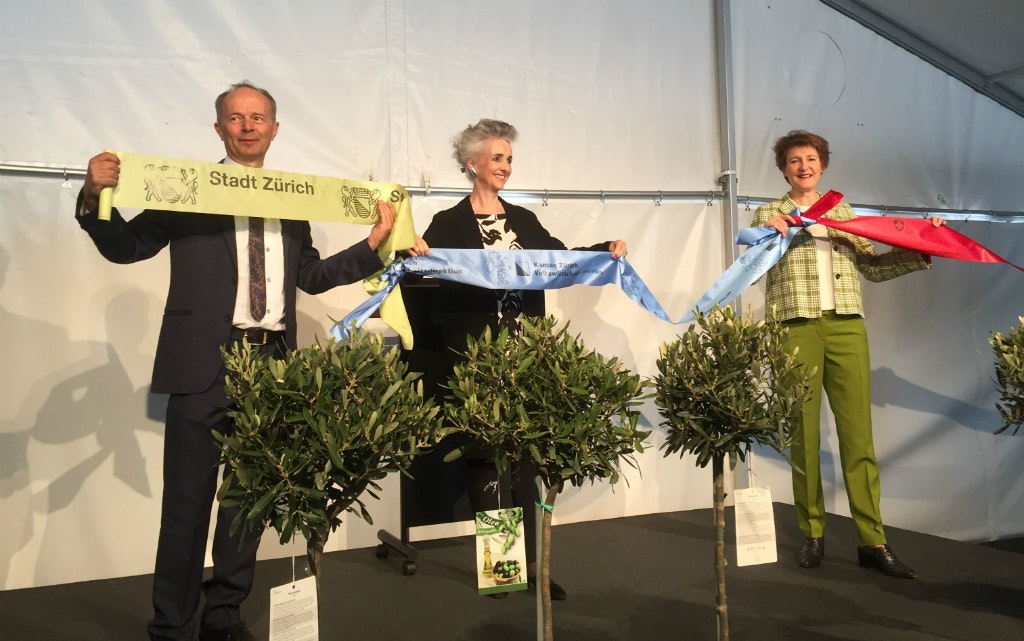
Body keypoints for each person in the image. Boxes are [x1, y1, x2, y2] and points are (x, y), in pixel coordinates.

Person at [75, 81, 426, 641]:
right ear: (219, 129)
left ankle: (223, 615)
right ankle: (171, 624)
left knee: (248, 501)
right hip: (201, 368)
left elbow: (308, 276)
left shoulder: (294, 201)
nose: (247, 125)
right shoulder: (187, 189)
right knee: (186, 507)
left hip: (273, 371)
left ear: (274, 128)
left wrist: (374, 242)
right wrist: (94, 197)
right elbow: (127, 245)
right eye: (235, 118)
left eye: (257, 117)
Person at [419, 119, 627, 600]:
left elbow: (559, 259)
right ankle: (502, 567)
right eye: (497, 158)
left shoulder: (524, 221)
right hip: (477, 361)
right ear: (473, 164)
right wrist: (418, 252)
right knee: (485, 458)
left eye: (509, 159)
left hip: (527, 356)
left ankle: (535, 566)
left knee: (529, 459)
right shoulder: (447, 224)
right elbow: (428, 276)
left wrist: (602, 251)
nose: (506, 167)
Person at [753, 130, 945, 579]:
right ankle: (813, 533)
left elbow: (873, 268)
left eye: (812, 158)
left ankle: (872, 541)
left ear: (823, 164)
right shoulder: (769, 213)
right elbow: (753, 257)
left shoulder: (841, 211)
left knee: (858, 438)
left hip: (846, 327)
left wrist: (920, 245)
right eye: (795, 160)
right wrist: (766, 234)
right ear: (784, 169)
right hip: (794, 326)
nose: (804, 166)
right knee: (802, 435)